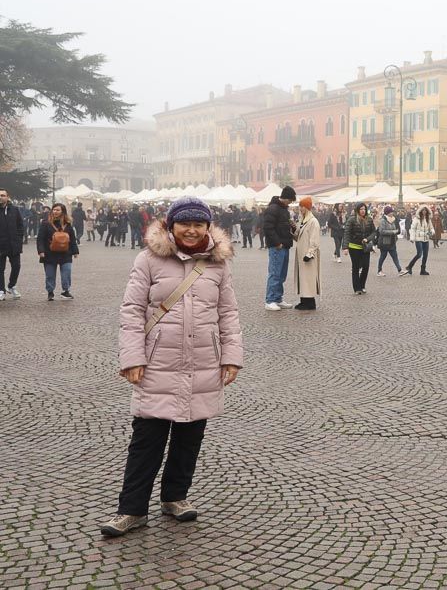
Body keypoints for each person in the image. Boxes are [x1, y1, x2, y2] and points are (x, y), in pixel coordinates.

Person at [101, 196, 242, 537]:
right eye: (185, 223)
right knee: (147, 439)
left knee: (189, 437)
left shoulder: (217, 265)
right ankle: (131, 510)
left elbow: (228, 313)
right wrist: (133, 357)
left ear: (208, 228)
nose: (192, 230)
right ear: (171, 225)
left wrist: (231, 355)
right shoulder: (148, 259)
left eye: (199, 224)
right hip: (157, 362)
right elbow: (132, 310)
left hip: (202, 362)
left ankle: (175, 497)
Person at [262, 186, 297, 311]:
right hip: (277, 247)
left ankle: (278, 298)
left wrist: (292, 227)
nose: (291, 202)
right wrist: (277, 243)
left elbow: (283, 226)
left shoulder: (284, 210)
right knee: (275, 273)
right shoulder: (273, 209)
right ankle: (270, 300)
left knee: (281, 274)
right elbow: (267, 228)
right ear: (286, 198)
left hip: (285, 246)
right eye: (291, 200)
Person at [37, 202, 79, 301]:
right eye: (54, 210)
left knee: (66, 273)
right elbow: (40, 238)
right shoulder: (46, 223)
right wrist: (41, 251)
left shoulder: (67, 224)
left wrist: (75, 251)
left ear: (62, 212)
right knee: (50, 275)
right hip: (49, 253)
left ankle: (66, 291)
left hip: (65, 253)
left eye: (57, 210)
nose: (55, 212)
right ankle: (50, 292)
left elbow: (72, 238)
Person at [293, 197, 321, 310]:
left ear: (306, 207)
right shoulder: (303, 220)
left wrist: (310, 253)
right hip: (301, 254)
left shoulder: (313, 221)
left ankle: (310, 302)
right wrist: (292, 230)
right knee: (303, 278)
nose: (300, 209)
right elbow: (298, 238)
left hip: (308, 255)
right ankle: (304, 300)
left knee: (308, 278)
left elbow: (314, 240)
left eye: (302, 206)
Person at [343, 202, 375, 294]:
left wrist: (367, 239)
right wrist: (345, 247)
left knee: (366, 266)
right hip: (354, 247)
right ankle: (357, 288)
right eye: (361, 209)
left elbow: (374, 232)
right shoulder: (352, 219)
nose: (363, 211)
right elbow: (347, 233)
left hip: (365, 247)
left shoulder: (369, 219)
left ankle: (362, 285)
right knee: (356, 267)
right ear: (357, 210)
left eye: (364, 209)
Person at [0, 189, 25, 301]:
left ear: (7, 197)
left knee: (16, 266)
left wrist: (19, 238)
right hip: (1, 245)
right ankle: (1, 290)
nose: (1, 197)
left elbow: (20, 225)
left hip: (13, 244)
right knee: (0, 269)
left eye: (2, 195)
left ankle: (11, 285)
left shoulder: (14, 210)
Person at [376, 205, 404, 276]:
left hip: (392, 241)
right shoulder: (383, 220)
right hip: (384, 242)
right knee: (383, 256)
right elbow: (381, 231)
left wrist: (397, 231)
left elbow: (396, 229)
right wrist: (393, 232)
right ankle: (379, 271)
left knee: (395, 256)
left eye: (392, 212)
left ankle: (400, 270)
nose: (392, 213)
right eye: (390, 212)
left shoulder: (393, 220)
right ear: (387, 212)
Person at [406, 205, 433, 276]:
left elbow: (431, 228)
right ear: (420, 211)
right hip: (418, 239)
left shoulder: (428, 219)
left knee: (425, 255)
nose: (424, 212)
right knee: (419, 254)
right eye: (423, 210)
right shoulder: (416, 219)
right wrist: (412, 238)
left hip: (426, 239)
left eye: (425, 210)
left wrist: (432, 232)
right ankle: (409, 266)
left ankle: (423, 270)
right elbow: (413, 229)